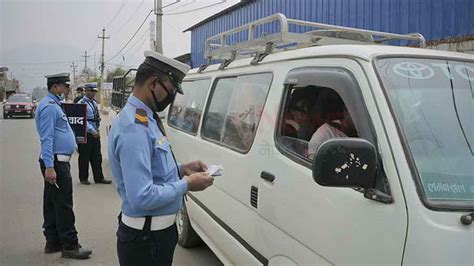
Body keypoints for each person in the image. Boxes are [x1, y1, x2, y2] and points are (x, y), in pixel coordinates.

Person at [108, 51, 214, 266]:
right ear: (153, 83)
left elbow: (153, 166)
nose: (172, 97)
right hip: (146, 240)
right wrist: (186, 184)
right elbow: (142, 196)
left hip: (154, 235)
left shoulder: (145, 117)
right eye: (171, 90)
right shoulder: (134, 128)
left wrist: (182, 168)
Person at [35, 73, 92, 259]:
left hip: (56, 162)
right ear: (55, 88)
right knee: (64, 205)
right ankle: (70, 245)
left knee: (52, 204)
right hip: (56, 163)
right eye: (65, 86)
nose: (68, 89)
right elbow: (47, 138)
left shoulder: (54, 105)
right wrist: (50, 167)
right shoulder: (50, 108)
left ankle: (53, 242)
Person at [77, 83, 111, 185]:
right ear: (86, 90)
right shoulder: (81, 103)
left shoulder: (94, 103)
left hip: (96, 132)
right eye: (91, 91)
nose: (93, 93)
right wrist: (92, 131)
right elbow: (82, 120)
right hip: (87, 133)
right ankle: (83, 178)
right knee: (84, 156)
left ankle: (99, 178)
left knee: (97, 156)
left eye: (95, 91)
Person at [307, 90, 357, 160]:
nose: (359, 116)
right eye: (355, 112)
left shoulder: (368, 129)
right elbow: (312, 162)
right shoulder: (325, 133)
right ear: (345, 111)